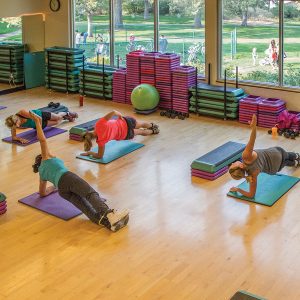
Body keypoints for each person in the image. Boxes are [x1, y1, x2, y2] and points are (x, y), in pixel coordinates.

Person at [29, 111, 129, 232]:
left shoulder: (41, 174)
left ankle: (106, 223)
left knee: (85, 207)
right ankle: (110, 214)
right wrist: (37, 122)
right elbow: (42, 140)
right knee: (90, 194)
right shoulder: (46, 159)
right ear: (43, 157)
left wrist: (54, 188)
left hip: (62, 190)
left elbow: (42, 193)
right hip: (67, 178)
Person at [228, 114, 299, 198]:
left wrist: (238, 189)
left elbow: (251, 195)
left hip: (274, 169)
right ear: (239, 165)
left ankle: (295, 163)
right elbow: (252, 139)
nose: (232, 163)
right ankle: (296, 156)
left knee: (285, 162)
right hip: (276, 154)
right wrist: (254, 127)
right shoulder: (246, 157)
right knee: (287, 155)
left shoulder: (251, 176)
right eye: (232, 165)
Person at [81, 110, 159, 159]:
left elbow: (99, 156)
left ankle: (154, 131)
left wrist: (89, 153)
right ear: (89, 131)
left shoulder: (100, 141)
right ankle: (152, 125)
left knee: (141, 132)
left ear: (92, 140)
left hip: (125, 134)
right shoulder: (98, 124)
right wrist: (120, 115)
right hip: (125, 122)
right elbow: (114, 112)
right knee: (141, 124)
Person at [5, 109, 78, 144]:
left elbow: (39, 119)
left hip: (41, 115)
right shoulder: (13, 124)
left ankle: (66, 113)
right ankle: (65, 117)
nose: (18, 126)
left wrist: (38, 133)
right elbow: (14, 137)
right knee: (56, 122)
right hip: (37, 125)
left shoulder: (22, 113)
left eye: (18, 124)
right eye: (16, 126)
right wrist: (20, 139)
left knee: (58, 117)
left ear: (16, 119)